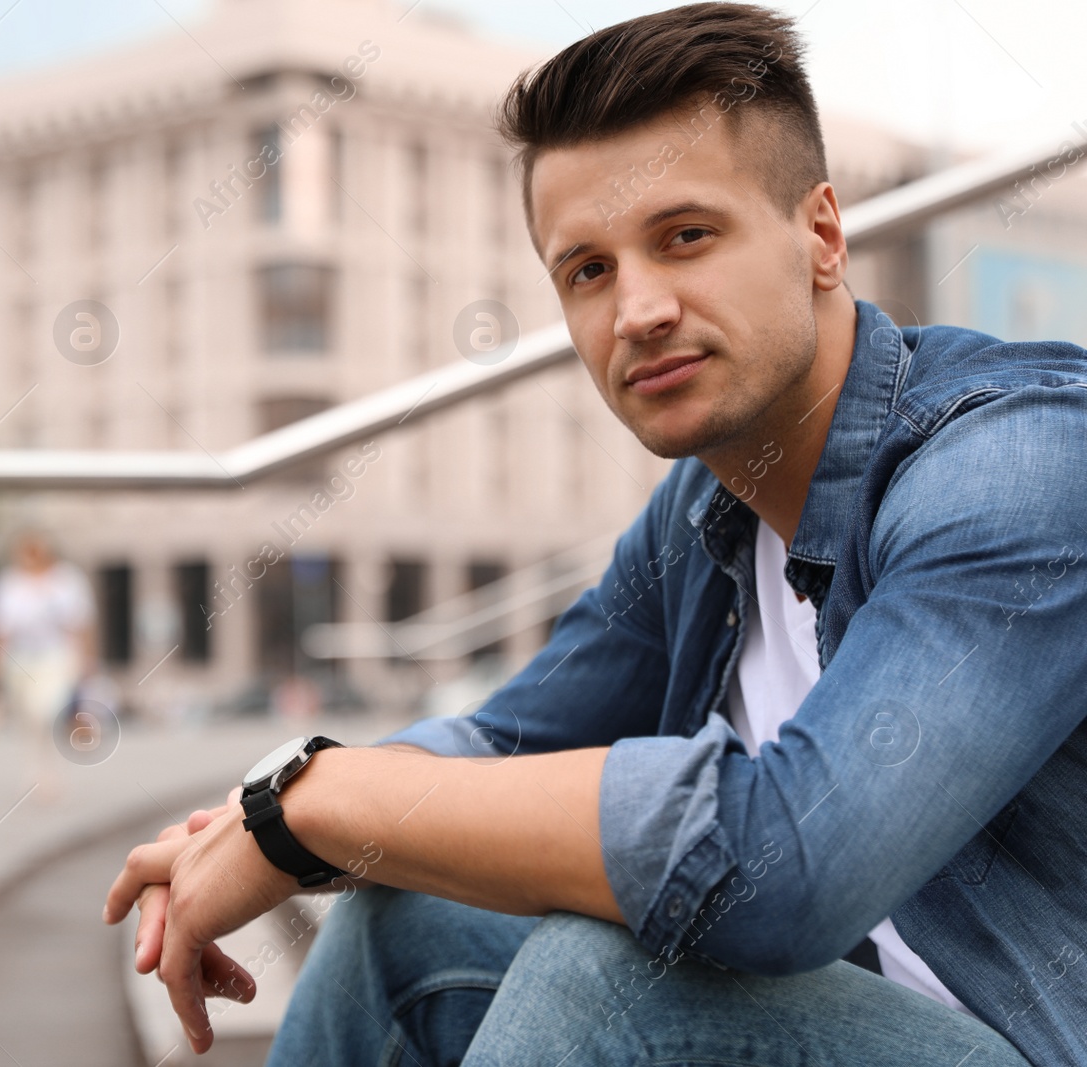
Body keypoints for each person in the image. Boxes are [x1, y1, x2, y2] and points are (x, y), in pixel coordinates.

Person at [102, 3, 1087, 1063]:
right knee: (410, 919)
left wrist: (328, 799)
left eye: (685, 237)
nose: (637, 310)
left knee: (603, 984)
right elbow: (502, 741)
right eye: (588, 270)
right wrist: (255, 819)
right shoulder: (708, 507)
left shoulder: (1016, 466)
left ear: (821, 234)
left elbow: (789, 864)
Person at [0, 529, 96, 801]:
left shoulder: (68, 580)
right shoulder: (8, 582)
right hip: (18, 658)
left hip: (56, 656)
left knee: (47, 711)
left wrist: (88, 660)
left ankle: (50, 773)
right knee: (27, 718)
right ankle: (34, 773)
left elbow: (82, 624)